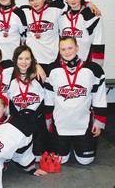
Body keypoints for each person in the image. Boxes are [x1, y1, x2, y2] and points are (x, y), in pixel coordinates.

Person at [44, 36, 107, 164]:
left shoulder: (93, 69)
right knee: (60, 160)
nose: (67, 52)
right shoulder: (52, 70)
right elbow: (48, 98)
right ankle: (67, 144)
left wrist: (99, 122)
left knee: (86, 161)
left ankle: (77, 144)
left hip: (83, 124)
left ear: (77, 48)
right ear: (59, 51)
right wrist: (48, 119)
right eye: (63, 49)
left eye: (70, 48)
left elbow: (99, 97)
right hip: (61, 124)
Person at [21, 0, 100, 72]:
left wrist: (89, 4)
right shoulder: (24, 11)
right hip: (32, 60)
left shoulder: (56, 7)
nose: (35, 2)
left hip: (52, 58)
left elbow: (73, 3)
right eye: (32, 0)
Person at [7, 45, 46, 161]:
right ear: (15, 60)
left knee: (38, 158)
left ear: (32, 60)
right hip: (18, 121)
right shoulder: (9, 76)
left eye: (27, 59)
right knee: (18, 156)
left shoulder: (39, 76)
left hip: (37, 121)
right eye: (20, 58)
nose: (24, 62)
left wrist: (37, 65)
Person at [58, 0, 105, 67]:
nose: (72, 0)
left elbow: (99, 41)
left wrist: (97, 66)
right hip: (65, 64)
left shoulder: (91, 15)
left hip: (85, 62)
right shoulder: (60, 15)